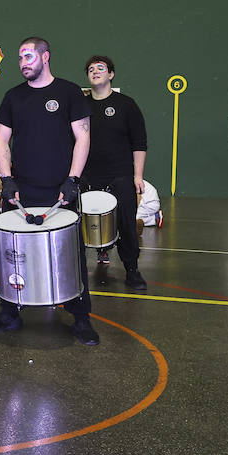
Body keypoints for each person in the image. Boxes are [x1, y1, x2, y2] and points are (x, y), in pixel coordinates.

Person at [0, 36, 99, 345]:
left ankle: (81, 316)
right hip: (21, 189)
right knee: (12, 255)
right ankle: (9, 312)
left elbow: (83, 138)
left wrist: (73, 180)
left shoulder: (69, 92)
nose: (23, 62)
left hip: (60, 189)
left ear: (45, 57)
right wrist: (6, 179)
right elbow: (2, 141)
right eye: (20, 57)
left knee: (70, 254)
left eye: (28, 56)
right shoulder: (13, 97)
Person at [82, 55, 148, 290]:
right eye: (90, 69)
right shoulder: (81, 106)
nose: (95, 71)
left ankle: (132, 270)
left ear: (110, 74)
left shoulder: (126, 105)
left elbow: (139, 142)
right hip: (87, 175)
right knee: (73, 223)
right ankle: (77, 271)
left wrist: (137, 176)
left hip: (119, 174)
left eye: (100, 68)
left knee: (127, 224)